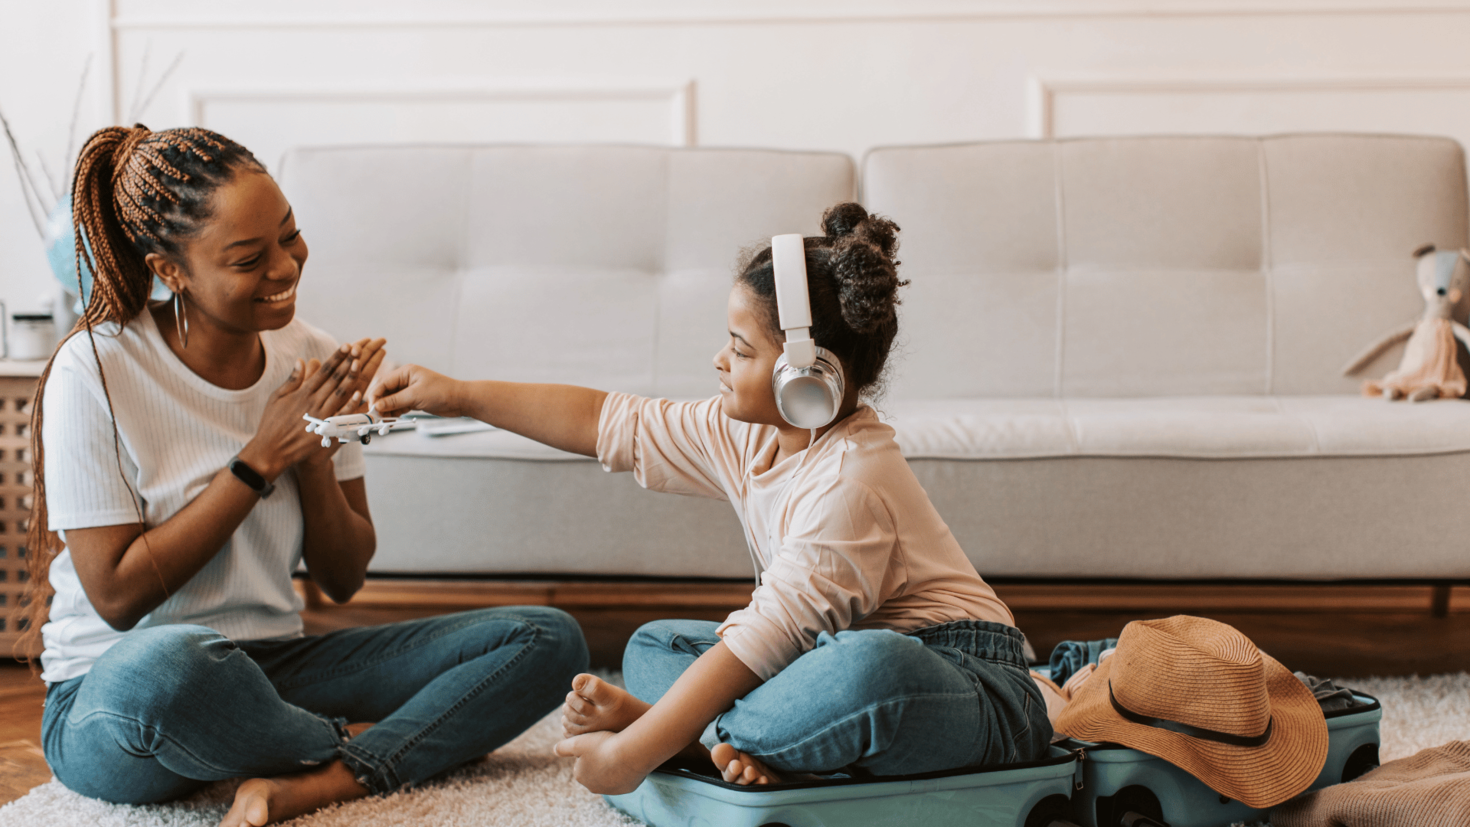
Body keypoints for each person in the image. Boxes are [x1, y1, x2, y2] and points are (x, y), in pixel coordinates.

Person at [368, 203, 1051, 795]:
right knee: (653, 644)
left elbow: (765, 637)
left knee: (864, 670)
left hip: (968, 685)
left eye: (740, 348)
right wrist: (454, 394)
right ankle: (757, 743)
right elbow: (608, 421)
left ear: (806, 379)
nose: (719, 361)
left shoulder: (853, 482)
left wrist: (631, 753)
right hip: (817, 666)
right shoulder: (744, 434)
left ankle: (680, 736)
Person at [17, 125, 588, 826]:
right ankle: (341, 751)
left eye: (290, 236)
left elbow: (344, 577)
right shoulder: (95, 370)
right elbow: (115, 595)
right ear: (172, 271)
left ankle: (320, 779)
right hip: (113, 695)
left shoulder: (310, 357)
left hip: (270, 668)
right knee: (168, 666)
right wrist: (260, 460)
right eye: (249, 258)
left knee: (546, 638)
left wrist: (314, 450)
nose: (286, 267)